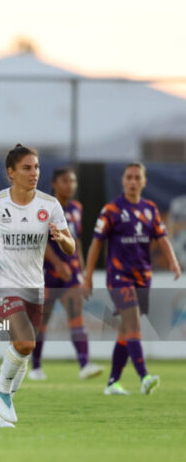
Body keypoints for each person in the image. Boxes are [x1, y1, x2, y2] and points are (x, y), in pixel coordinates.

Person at [0, 144, 75, 428]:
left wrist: (61, 239)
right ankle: (1, 392)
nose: (34, 173)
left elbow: (71, 246)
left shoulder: (49, 205)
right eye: (27, 168)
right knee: (25, 342)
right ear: (11, 172)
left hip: (33, 285)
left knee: (24, 351)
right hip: (2, 284)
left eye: (37, 167)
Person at [84, 162, 181, 396]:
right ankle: (144, 376)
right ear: (123, 181)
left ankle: (112, 382)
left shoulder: (150, 209)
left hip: (142, 276)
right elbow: (97, 242)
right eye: (129, 177)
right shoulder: (111, 210)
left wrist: (173, 261)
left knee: (127, 330)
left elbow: (162, 238)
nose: (133, 181)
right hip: (118, 276)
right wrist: (87, 275)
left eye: (137, 177)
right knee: (134, 322)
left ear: (144, 181)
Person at [29, 167, 102, 381]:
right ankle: (35, 367)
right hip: (48, 275)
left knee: (77, 319)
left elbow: (76, 241)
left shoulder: (76, 209)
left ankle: (84, 364)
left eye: (73, 181)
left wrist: (81, 272)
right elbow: (41, 240)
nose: (70, 185)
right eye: (65, 181)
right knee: (42, 322)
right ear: (54, 184)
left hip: (71, 276)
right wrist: (57, 263)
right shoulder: (45, 207)